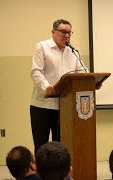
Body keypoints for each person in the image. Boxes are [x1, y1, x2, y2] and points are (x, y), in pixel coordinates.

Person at [30, 19, 88, 154]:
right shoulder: (42, 47)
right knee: (41, 145)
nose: (67, 35)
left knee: (61, 146)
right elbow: (36, 71)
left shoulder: (73, 51)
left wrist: (93, 82)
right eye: (63, 32)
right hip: (42, 105)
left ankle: (59, 173)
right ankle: (41, 174)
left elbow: (82, 71)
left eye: (69, 32)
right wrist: (46, 86)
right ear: (53, 32)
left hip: (65, 106)